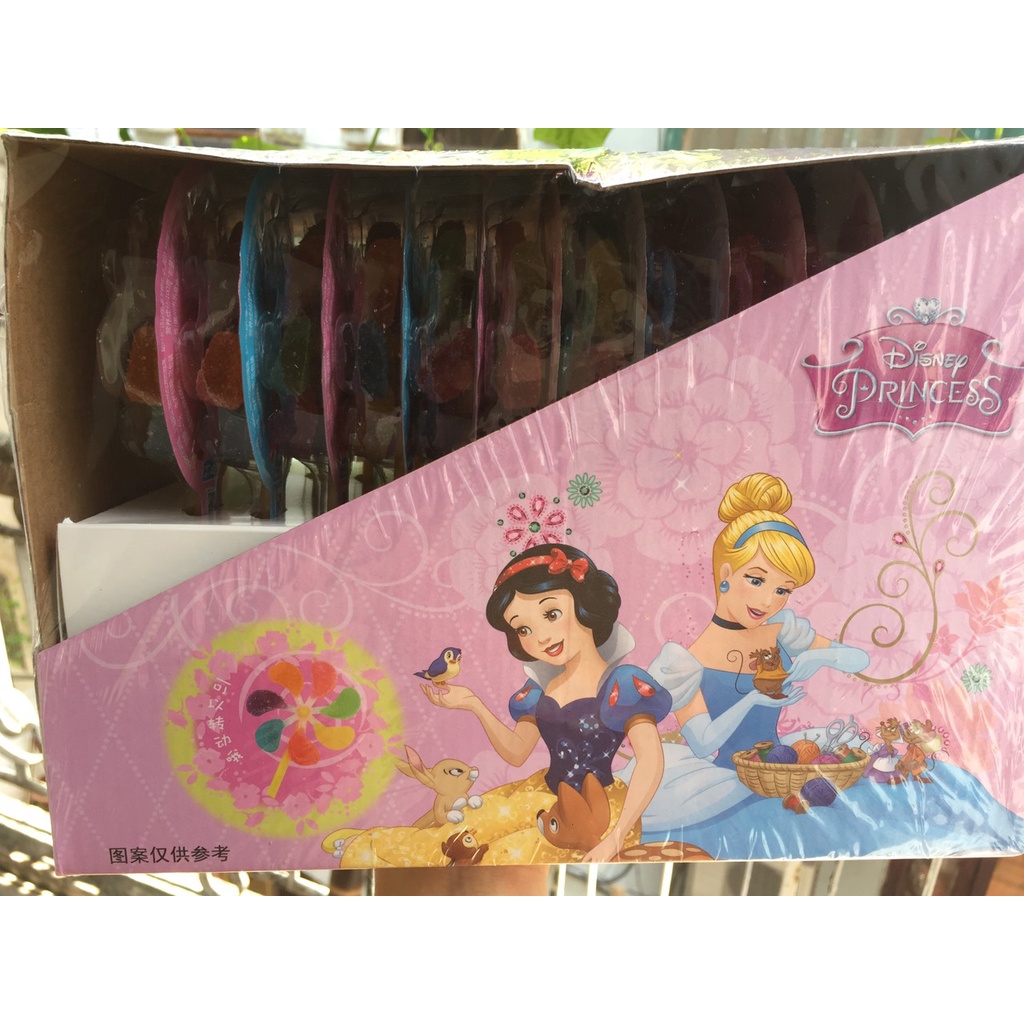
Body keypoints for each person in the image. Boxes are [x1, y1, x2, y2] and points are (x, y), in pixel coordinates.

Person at [619, 472, 869, 838]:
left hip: (779, 767)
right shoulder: (685, 663)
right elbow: (703, 743)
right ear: (725, 573)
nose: (768, 601)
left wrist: (820, 657)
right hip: (723, 782)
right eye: (756, 579)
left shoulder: (781, 631)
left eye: (783, 589)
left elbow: (860, 660)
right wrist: (752, 699)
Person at [422, 543, 672, 862]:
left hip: (595, 813)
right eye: (523, 628)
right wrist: (473, 703)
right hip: (539, 796)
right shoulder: (538, 689)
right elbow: (517, 753)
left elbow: (651, 760)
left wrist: (616, 837)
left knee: (497, 856)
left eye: (551, 614)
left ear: (585, 605)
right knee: (455, 840)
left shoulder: (622, 683)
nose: (540, 637)